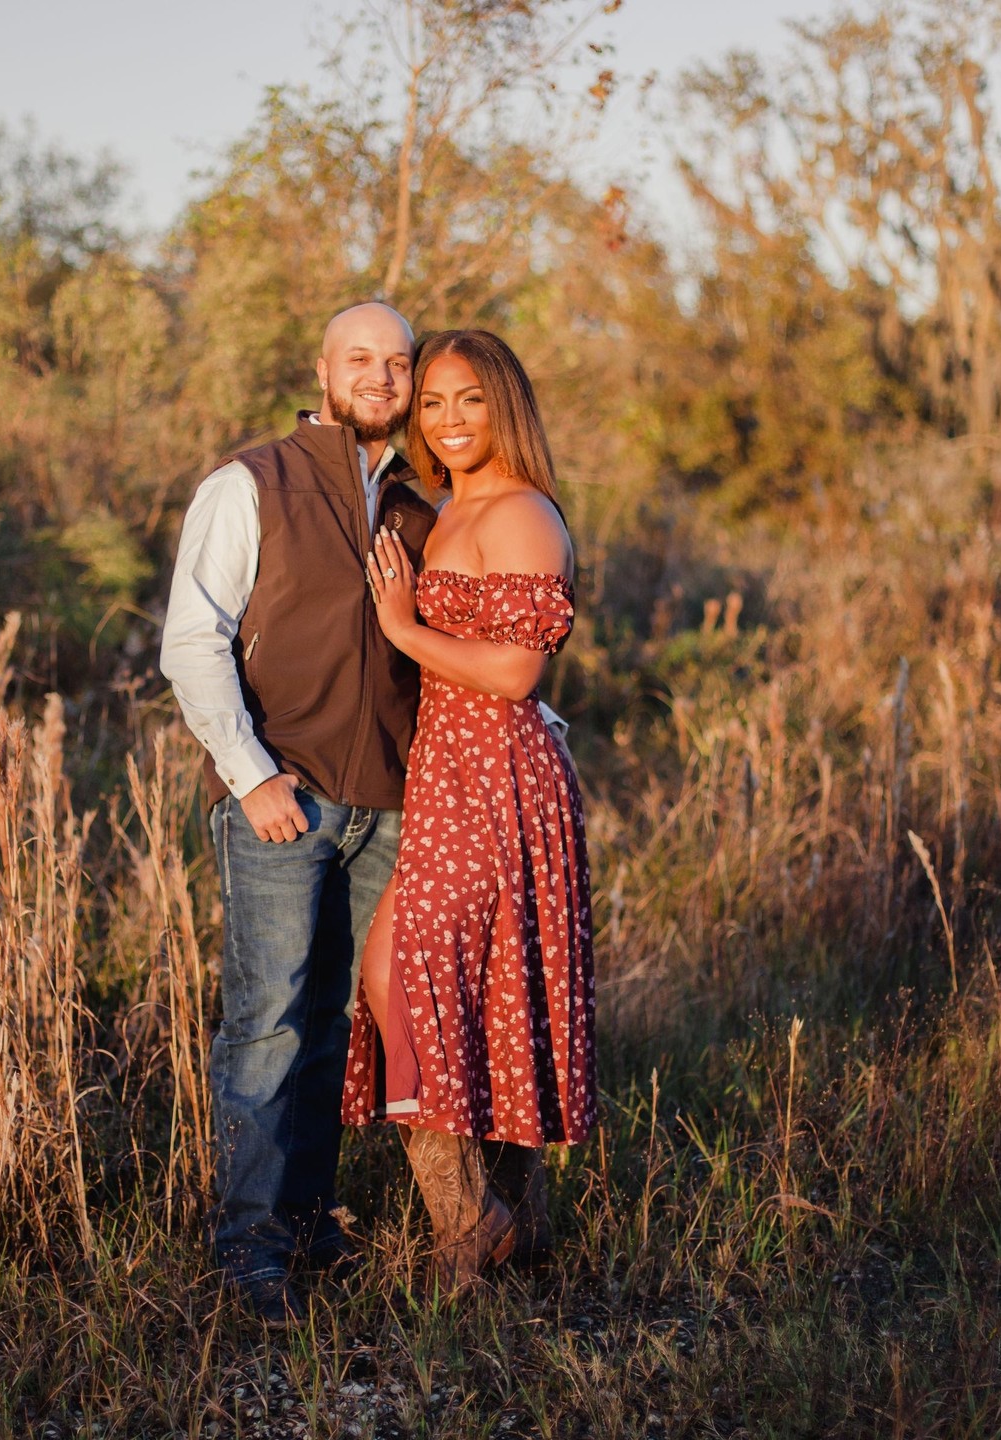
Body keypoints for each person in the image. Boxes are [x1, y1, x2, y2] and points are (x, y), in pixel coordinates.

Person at [159, 302, 441, 1324]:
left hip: (390, 808)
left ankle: (311, 1221)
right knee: (269, 1024)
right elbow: (193, 641)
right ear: (321, 370)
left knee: (336, 1022)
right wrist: (251, 774)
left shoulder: (420, 503)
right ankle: (249, 1249)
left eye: (398, 363)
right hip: (287, 800)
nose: (381, 377)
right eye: (361, 359)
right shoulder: (252, 484)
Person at [347, 329, 597, 1288]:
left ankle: (469, 1225)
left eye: (470, 402)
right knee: (470, 982)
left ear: (507, 407)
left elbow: (519, 671)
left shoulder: (523, 513)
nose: (448, 422)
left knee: (402, 975)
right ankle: (513, 1223)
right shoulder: (446, 510)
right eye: (434, 404)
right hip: (446, 769)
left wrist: (405, 629)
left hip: (496, 774)